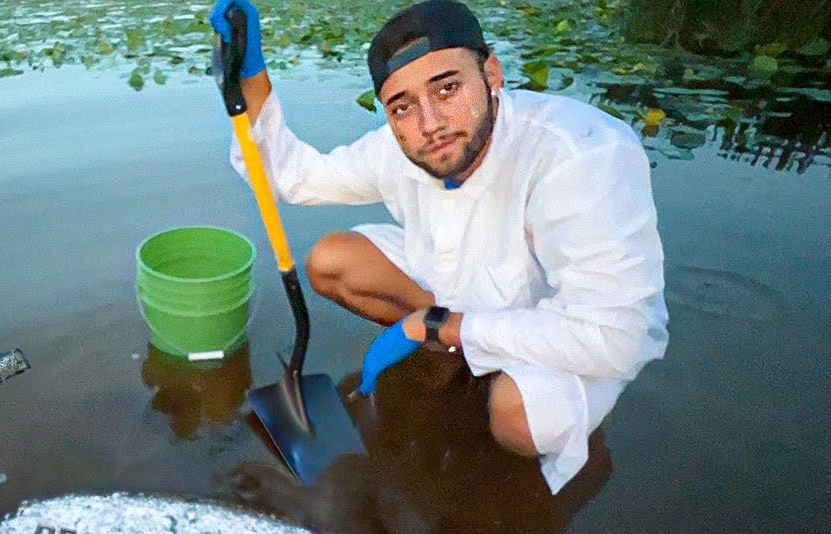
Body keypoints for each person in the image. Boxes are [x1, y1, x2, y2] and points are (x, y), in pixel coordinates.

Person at [208, 0, 669, 494]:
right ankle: (454, 353)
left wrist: (435, 325)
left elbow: (614, 334)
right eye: (401, 106)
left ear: (491, 72)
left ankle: (577, 447)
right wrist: (252, 79)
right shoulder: (400, 145)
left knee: (517, 419)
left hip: (565, 323)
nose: (429, 124)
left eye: (447, 88)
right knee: (331, 263)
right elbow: (297, 179)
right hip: (462, 287)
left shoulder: (581, 154)